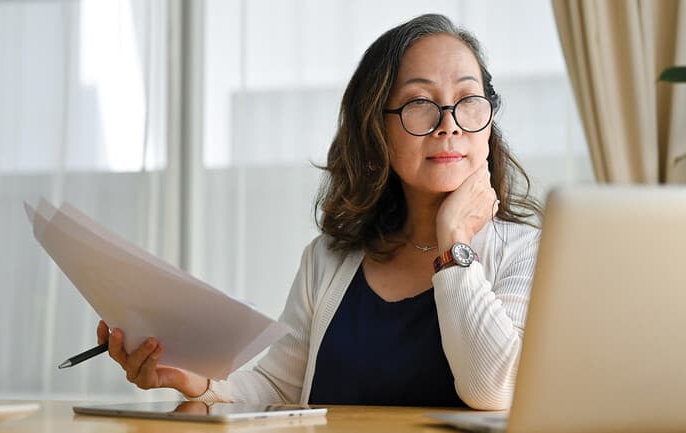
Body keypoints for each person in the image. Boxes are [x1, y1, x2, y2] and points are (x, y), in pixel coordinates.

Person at [96, 13, 542, 410]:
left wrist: (454, 242)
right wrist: (199, 383)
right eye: (419, 104)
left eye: (468, 100)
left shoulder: (527, 251)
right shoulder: (327, 259)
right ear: (377, 130)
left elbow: (493, 390)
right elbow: (277, 386)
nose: (449, 122)